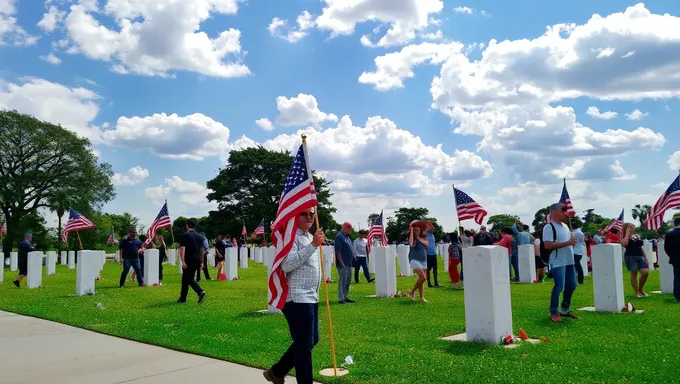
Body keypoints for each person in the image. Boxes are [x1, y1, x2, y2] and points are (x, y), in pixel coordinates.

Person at [263, 208, 324, 384]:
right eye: (304, 213)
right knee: (304, 346)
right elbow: (287, 265)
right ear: (294, 216)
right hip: (296, 298)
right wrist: (313, 245)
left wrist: (313, 243)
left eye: (311, 214)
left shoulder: (308, 236)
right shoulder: (289, 237)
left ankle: (277, 371)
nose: (309, 216)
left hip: (311, 297)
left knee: (310, 340)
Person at [543, 203, 578, 323]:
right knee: (559, 286)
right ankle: (553, 311)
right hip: (558, 261)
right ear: (554, 212)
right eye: (563, 210)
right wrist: (567, 243)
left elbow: (567, 242)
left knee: (572, 284)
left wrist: (570, 243)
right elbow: (547, 245)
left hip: (569, 260)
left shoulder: (565, 226)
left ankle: (564, 309)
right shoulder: (549, 227)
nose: (565, 212)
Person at [178, 219, 206, 304]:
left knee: (188, 278)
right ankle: (182, 298)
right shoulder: (200, 237)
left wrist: (183, 262)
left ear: (187, 226)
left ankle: (200, 292)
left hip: (189, 259)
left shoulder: (185, 235)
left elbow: (182, 248)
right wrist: (202, 262)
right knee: (185, 279)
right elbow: (202, 250)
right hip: (197, 260)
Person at [620, 223, 650, 298]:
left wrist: (645, 257)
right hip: (630, 256)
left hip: (640, 256)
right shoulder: (624, 236)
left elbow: (641, 247)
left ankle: (640, 289)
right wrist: (627, 234)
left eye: (633, 227)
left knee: (645, 273)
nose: (632, 229)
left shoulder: (636, 236)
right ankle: (637, 292)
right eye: (630, 227)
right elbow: (624, 244)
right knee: (634, 274)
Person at [407, 223, 429, 302]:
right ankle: (412, 291)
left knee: (422, 280)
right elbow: (411, 244)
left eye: (418, 230)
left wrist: (420, 239)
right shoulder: (412, 238)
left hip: (423, 258)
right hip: (414, 259)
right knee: (423, 277)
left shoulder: (423, 237)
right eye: (415, 230)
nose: (417, 231)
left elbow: (427, 245)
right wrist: (412, 232)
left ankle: (421, 297)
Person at [334, 222, 355, 304]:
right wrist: (341, 262)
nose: (350, 229)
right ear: (344, 228)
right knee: (343, 280)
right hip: (343, 263)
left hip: (349, 263)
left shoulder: (348, 237)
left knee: (348, 280)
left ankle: (345, 296)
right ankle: (341, 298)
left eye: (351, 228)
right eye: (349, 228)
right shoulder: (339, 236)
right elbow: (337, 251)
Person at [663, 216, 680, 302]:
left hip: (675, 259)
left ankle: (678, 296)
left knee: (677, 277)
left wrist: (672, 256)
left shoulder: (669, 234)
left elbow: (666, 248)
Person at [425, 223, 439, 288]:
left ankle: (436, 282)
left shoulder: (432, 235)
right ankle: (429, 283)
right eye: (432, 228)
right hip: (428, 254)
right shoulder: (424, 235)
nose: (433, 230)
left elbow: (433, 243)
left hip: (433, 254)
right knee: (428, 269)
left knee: (435, 268)